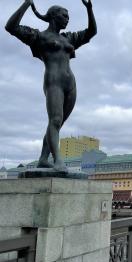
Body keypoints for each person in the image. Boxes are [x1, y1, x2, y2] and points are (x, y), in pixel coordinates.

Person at [5, 0, 97, 172]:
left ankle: (42, 159)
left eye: (68, 16)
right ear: (53, 16)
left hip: (71, 84)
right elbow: (11, 26)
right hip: (53, 83)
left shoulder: (68, 38)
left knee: (57, 124)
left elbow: (92, 32)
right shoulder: (39, 37)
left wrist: (89, 9)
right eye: (64, 16)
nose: (67, 19)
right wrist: (27, 3)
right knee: (54, 120)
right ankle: (58, 161)